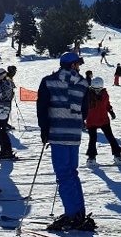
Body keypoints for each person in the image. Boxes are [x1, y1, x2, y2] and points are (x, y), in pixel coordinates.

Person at [37, 52, 94, 231]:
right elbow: (85, 111)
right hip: (74, 134)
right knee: (71, 173)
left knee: (64, 175)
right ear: (70, 65)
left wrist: (45, 131)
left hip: (58, 133)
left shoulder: (48, 81)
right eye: (77, 64)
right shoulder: (84, 84)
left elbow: (42, 108)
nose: (79, 68)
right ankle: (78, 212)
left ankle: (72, 215)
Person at [85, 77, 121, 166]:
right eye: (95, 89)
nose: (97, 91)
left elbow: (107, 104)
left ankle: (118, 155)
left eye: (99, 89)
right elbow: (83, 106)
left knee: (110, 137)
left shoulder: (105, 94)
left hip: (103, 120)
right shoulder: (87, 95)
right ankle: (91, 158)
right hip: (91, 120)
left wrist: (111, 111)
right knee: (92, 139)